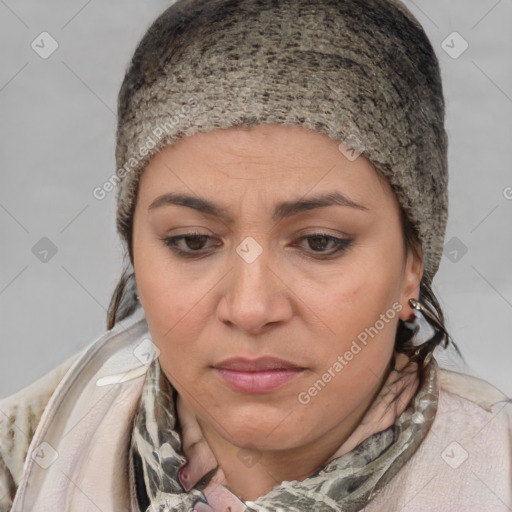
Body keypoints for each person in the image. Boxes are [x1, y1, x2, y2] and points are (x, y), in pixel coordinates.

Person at [1, 0, 511, 510]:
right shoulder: (22, 468)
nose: (250, 309)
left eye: (320, 242)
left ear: (411, 266)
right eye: (193, 242)